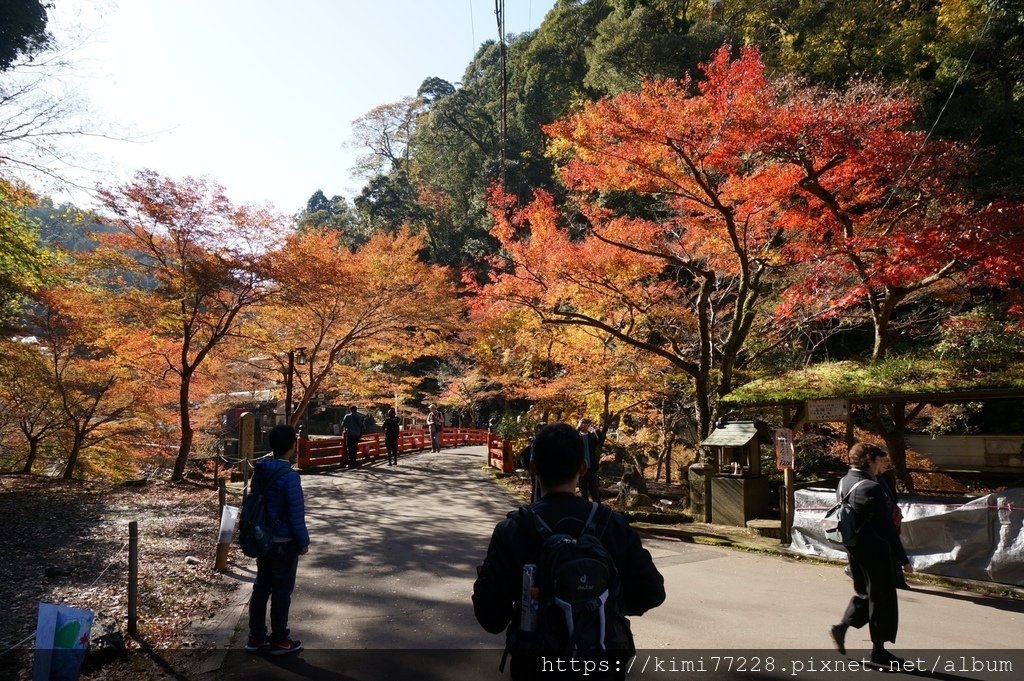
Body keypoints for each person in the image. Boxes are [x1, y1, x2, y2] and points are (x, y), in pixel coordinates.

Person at [473, 422, 665, 680]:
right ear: (583, 468)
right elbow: (651, 592)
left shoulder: (513, 529)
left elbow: (490, 617)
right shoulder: (612, 524)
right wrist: (603, 602)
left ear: (533, 468)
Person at [829, 442, 913, 667]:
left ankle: (842, 626)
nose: (883, 464)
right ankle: (878, 652)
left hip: (855, 548)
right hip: (876, 550)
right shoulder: (871, 487)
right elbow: (886, 528)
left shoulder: (845, 481)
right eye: (880, 460)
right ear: (869, 460)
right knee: (882, 599)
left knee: (866, 594)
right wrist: (903, 560)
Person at [246, 425, 309, 656]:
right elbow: (295, 513)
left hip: (262, 539)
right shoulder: (290, 477)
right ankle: (280, 639)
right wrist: (303, 541)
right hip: (284, 542)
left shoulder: (260, 471)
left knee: (261, 587)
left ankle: (255, 636)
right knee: (282, 590)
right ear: (293, 446)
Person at [577, 417, 605, 504]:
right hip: (580, 469)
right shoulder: (577, 436)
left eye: (586, 423)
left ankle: (598, 510)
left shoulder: (592, 436)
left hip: (591, 468)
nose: (584, 425)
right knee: (583, 492)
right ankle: (585, 511)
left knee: (594, 491)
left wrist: (597, 430)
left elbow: (601, 440)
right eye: (582, 423)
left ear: (589, 425)